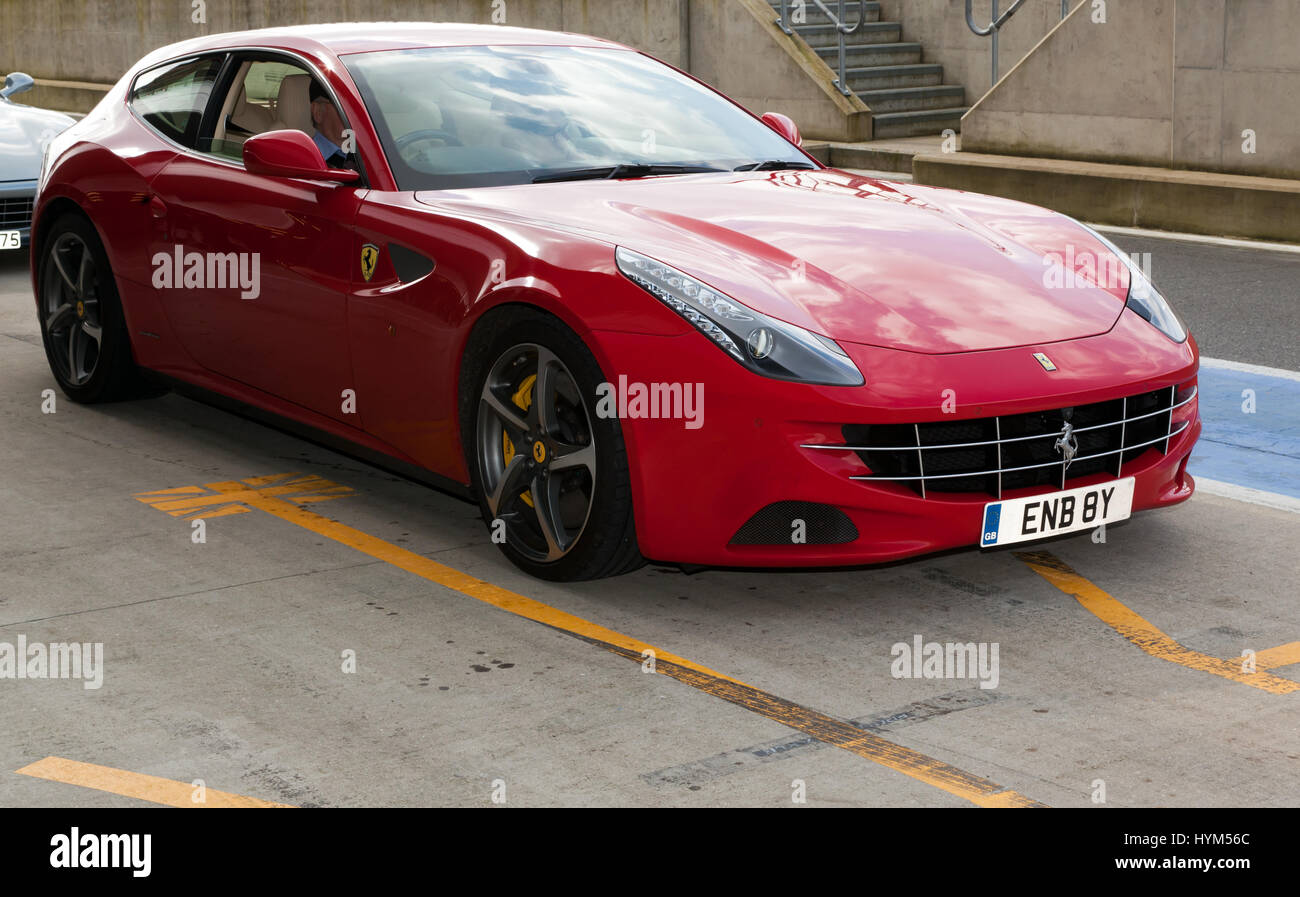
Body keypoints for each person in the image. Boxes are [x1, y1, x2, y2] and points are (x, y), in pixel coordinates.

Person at [308, 80, 359, 172]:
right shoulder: (304, 161)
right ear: (317, 112)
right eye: (344, 104)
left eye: (358, 105)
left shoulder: (374, 156)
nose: (355, 113)